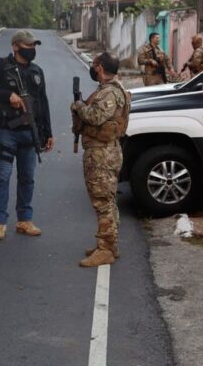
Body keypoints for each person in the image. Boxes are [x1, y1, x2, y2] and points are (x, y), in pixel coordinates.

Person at [0, 30, 54, 240]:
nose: (32, 50)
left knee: (27, 178)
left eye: (34, 46)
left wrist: (48, 132)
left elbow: (43, 102)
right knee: (2, 176)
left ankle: (24, 220)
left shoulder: (37, 71)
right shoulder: (0, 66)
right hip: (6, 132)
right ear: (15, 46)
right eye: (28, 46)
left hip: (31, 133)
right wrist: (7, 95)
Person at [71, 52, 130, 267]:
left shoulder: (109, 93)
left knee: (102, 201)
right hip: (106, 151)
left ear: (99, 67)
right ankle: (109, 244)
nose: (92, 68)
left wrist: (78, 106)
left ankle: (105, 249)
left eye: (94, 65)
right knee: (107, 200)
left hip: (102, 153)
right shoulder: (111, 89)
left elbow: (96, 116)